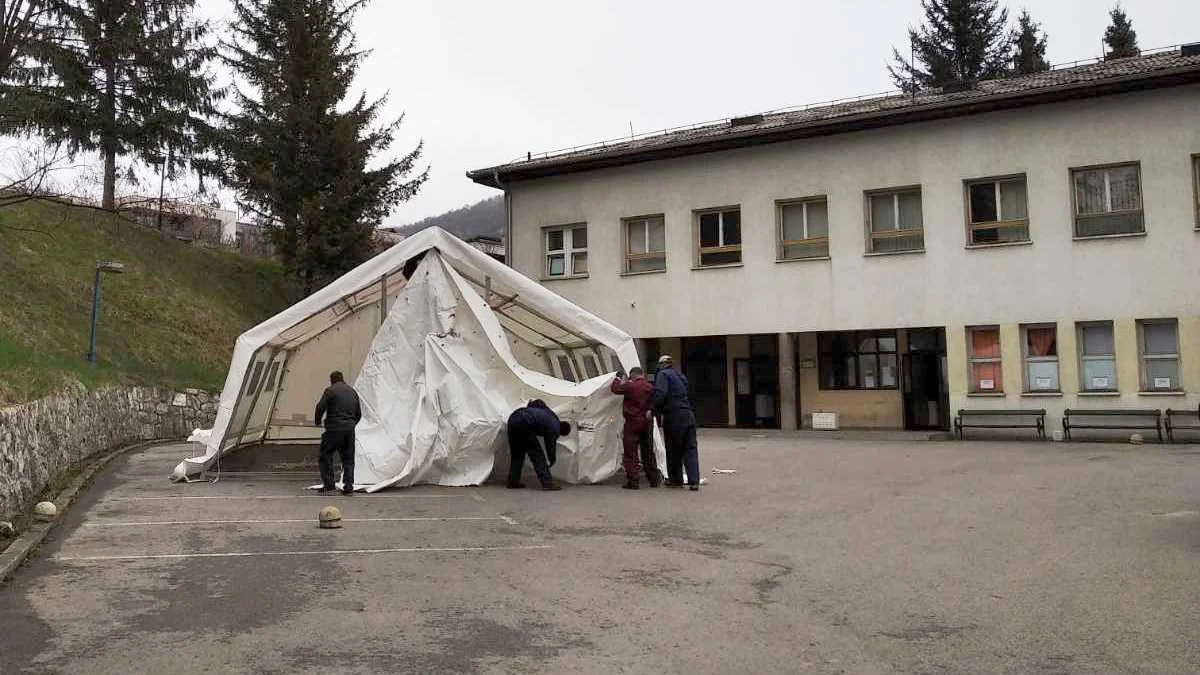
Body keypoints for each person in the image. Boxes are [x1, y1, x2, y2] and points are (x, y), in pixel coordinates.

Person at [652, 355, 700, 491]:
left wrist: (653, 408)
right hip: (688, 414)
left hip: (674, 415)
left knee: (673, 449)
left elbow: (661, 393)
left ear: (662, 364)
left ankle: (676, 480)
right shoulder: (681, 376)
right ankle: (694, 481)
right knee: (690, 449)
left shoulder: (663, 375)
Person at [610, 367, 662, 490]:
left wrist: (618, 378)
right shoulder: (650, 387)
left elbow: (615, 389)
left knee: (630, 452)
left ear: (632, 375)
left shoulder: (630, 386)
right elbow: (657, 400)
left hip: (632, 422)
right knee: (648, 451)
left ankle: (633, 481)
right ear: (642, 375)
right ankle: (654, 479)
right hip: (647, 422)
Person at [506, 399, 571, 491]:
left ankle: (513, 482)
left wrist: (530, 406)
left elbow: (538, 402)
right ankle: (547, 484)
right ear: (562, 432)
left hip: (514, 418)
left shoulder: (550, 414)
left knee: (517, 455)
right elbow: (550, 446)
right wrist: (552, 459)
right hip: (525, 424)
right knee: (538, 456)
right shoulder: (555, 428)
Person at [314, 371, 361, 495]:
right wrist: (351, 424)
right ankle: (348, 486)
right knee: (348, 458)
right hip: (349, 429)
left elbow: (320, 407)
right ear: (342, 379)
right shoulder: (352, 392)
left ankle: (329, 485)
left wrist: (317, 421)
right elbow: (358, 414)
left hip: (334, 429)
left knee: (325, 455)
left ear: (332, 380)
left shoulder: (330, 390)